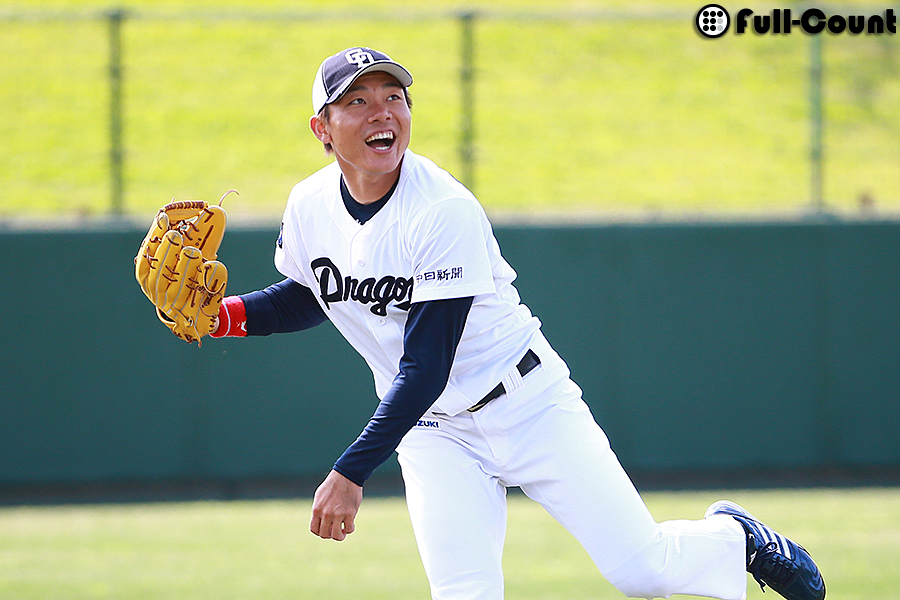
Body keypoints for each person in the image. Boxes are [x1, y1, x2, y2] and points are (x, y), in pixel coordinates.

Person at [210, 47, 825, 600]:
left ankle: (731, 538)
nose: (383, 113)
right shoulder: (309, 204)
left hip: (525, 402)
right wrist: (225, 316)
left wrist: (350, 471)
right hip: (432, 430)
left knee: (643, 571)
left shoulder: (442, 209)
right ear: (322, 128)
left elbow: (426, 366)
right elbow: (314, 292)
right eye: (358, 101)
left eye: (394, 97)